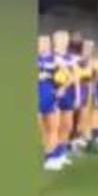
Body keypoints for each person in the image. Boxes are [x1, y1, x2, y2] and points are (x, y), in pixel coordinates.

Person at [46, 30, 77, 171]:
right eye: (60, 39)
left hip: (69, 94)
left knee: (68, 126)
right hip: (55, 93)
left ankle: (61, 154)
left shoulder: (71, 58)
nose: (63, 41)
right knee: (55, 126)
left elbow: (75, 78)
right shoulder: (50, 58)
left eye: (65, 39)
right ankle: (52, 157)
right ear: (54, 41)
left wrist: (77, 95)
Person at [37, 34, 61, 169]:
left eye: (46, 42)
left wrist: (61, 89)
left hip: (50, 97)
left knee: (53, 128)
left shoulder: (55, 60)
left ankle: (51, 157)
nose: (43, 45)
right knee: (42, 129)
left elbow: (67, 76)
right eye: (41, 43)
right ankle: (48, 153)